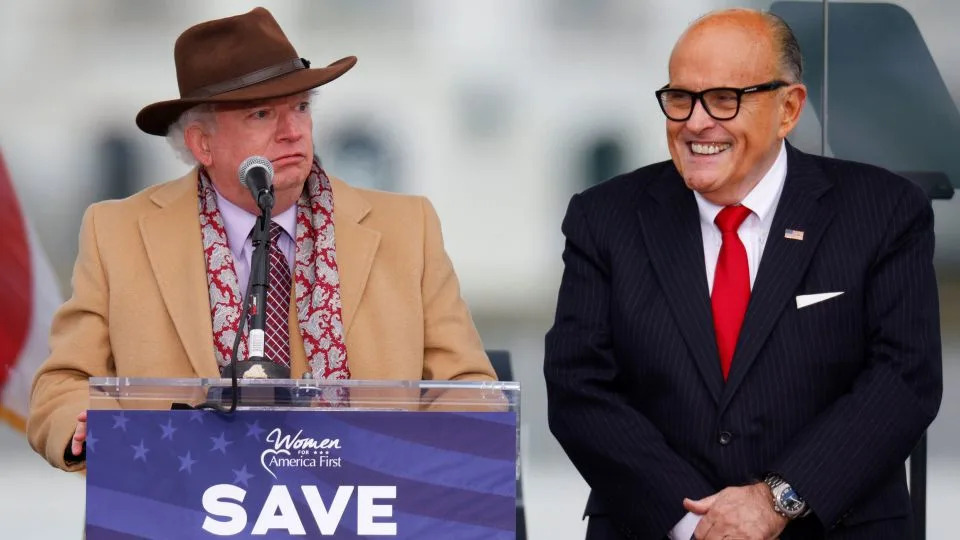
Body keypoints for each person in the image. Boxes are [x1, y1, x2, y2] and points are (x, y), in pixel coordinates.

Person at [28, 7, 495, 472]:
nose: (293, 131)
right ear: (201, 144)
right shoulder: (119, 233)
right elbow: (62, 385)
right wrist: (91, 428)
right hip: (184, 509)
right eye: (262, 113)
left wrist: (429, 466)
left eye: (301, 108)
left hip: (370, 510)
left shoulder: (406, 227)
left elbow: (469, 387)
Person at [544, 9, 941, 540]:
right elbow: (578, 386)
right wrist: (694, 522)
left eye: (725, 99)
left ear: (788, 108)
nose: (696, 122)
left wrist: (777, 499)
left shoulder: (882, 210)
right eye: (681, 97)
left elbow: (903, 379)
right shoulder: (605, 217)